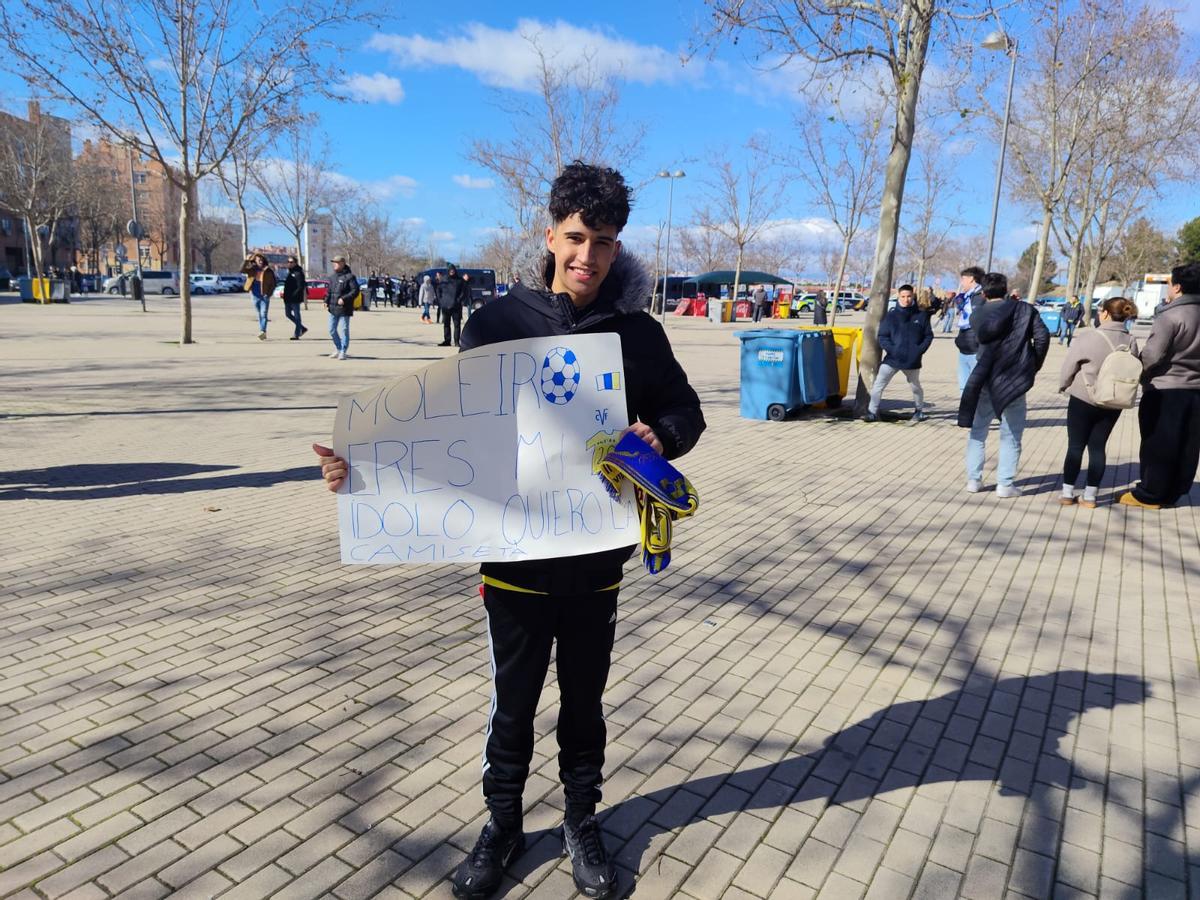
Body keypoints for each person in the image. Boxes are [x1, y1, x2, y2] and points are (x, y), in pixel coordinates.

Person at [316, 162, 704, 900]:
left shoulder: (639, 335)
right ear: (551, 233)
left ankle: (582, 820)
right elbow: (443, 439)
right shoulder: (497, 324)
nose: (589, 256)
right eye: (577, 237)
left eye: (605, 242)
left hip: (595, 560)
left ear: (620, 249)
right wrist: (358, 474)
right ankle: (501, 825)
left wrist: (661, 435)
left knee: (585, 703)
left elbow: (688, 413)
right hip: (514, 562)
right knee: (514, 703)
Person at [958, 272, 1050, 498]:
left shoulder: (976, 315)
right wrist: (1033, 364)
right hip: (1014, 379)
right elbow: (1042, 337)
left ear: (984, 291)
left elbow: (971, 343)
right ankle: (1005, 484)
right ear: (1005, 288)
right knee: (1011, 434)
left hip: (986, 377)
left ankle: (973, 480)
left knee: (978, 431)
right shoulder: (1025, 311)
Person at [1120, 263, 1200, 509]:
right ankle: (1175, 491)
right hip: (1196, 390)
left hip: (1166, 389)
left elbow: (1153, 354)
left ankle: (1150, 494)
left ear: (1177, 287)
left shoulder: (1170, 316)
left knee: (1158, 442)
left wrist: (1138, 372)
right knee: (1188, 443)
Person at [1057, 297, 1140, 508]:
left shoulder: (1089, 337)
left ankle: (1067, 493)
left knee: (1075, 446)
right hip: (1112, 400)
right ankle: (1091, 496)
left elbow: (1069, 366)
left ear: (1104, 313)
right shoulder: (1130, 341)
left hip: (1083, 397)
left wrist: (1063, 385)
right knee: (1098, 447)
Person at [865, 284, 933, 423]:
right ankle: (871, 412)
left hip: (912, 360)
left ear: (913, 296)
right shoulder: (890, 316)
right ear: (898, 296)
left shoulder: (921, 315)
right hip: (892, 359)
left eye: (909, 296)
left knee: (915, 387)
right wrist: (893, 349)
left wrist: (918, 350)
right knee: (878, 385)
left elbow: (928, 336)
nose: (906, 299)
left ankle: (919, 411)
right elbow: (883, 336)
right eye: (903, 296)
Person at [951, 266, 985, 391]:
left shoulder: (982, 296)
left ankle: (976, 411)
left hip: (976, 349)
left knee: (975, 388)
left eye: (963, 279)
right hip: (964, 347)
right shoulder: (966, 296)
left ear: (971, 279)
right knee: (963, 387)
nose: (962, 282)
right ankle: (964, 410)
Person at [325, 254, 356, 360]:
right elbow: (329, 291)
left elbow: (355, 291)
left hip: (344, 309)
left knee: (344, 330)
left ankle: (343, 350)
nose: (334, 264)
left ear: (342, 264)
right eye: (333, 262)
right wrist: (326, 301)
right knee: (331, 330)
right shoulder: (332, 277)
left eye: (336, 262)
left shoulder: (350, 277)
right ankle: (338, 348)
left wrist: (344, 298)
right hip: (333, 308)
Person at [241, 253, 277, 340]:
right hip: (254, 295)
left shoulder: (268, 270)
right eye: (258, 260)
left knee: (263, 314)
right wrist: (246, 260)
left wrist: (269, 294)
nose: (260, 261)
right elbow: (242, 270)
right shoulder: (252, 269)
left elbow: (273, 283)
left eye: (261, 260)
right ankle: (262, 331)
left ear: (264, 260)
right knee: (259, 314)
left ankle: (262, 331)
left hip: (264, 295)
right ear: (255, 261)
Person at [437, 263, 468, 347]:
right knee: (446, 324)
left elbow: (464, 292)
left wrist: (458, 301)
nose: (452, 272)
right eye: (450, 271)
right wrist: (441, 301)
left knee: (457, 324)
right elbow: (438, 291)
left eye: (453, 270)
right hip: (445, 306)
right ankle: (447, 340)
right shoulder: (443, 280)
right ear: (448, 271)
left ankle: (457, 341)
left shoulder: (459, 280)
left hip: (456, 306)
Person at [282, 254, 308, 340]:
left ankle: (296, 334)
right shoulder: (289, 272)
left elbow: (301, 286)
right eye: (288, 262)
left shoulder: (298, 273)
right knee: (288, 314)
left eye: (291, 262)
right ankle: (302, 328)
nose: (289, 263)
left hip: (295, 299)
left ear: (295, 263)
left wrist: (294, 295)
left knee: (297, 316)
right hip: (287, 298)